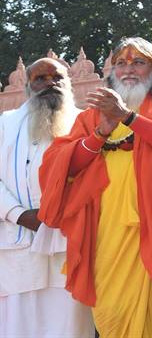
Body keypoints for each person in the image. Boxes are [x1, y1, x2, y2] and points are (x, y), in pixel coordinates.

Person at [38, 38, 152, 338]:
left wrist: (127, 117)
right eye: (121, 63)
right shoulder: (92, 115)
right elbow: (63, 165)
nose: (129, 69)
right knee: (111, 312)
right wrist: (101, 132)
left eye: (138, 62)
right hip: (106, 227)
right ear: (112, 71)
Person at [0, 58, 94, 338]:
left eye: (57, 77)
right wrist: (19, 214)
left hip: (70, 247)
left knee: (70, 327)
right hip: (17, 249)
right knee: (19, 328)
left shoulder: (86, 123)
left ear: (69, 83)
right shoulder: (5, 124)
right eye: (40, 78)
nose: (50, 83)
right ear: (28, 86)